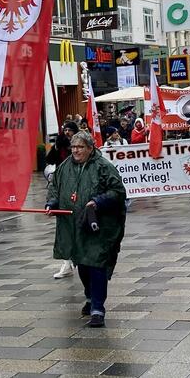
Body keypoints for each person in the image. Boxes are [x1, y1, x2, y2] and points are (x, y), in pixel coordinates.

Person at [45, 131, 127, 328]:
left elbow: (118, 192)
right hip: (74, 225)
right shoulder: (65, 166)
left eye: (80, 147)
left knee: (96, 262)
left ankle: (98, 308)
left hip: (98, 225)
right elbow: (54, 187)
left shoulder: (103, 167)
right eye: (73, 147)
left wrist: (97, 201)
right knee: (82, 262)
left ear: (90, 148)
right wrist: (52, 203)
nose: (75, 150)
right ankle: (90, 297)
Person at [45, 121, 78, 279]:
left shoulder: (80, 145)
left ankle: (81, 259)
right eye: (65, 130)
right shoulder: (60, 144)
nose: (67, 133)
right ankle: (67, 263)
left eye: (70, 130)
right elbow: (49, 160)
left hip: (78, 187)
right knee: (64, 229)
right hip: (63, 186)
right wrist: (57, 147)